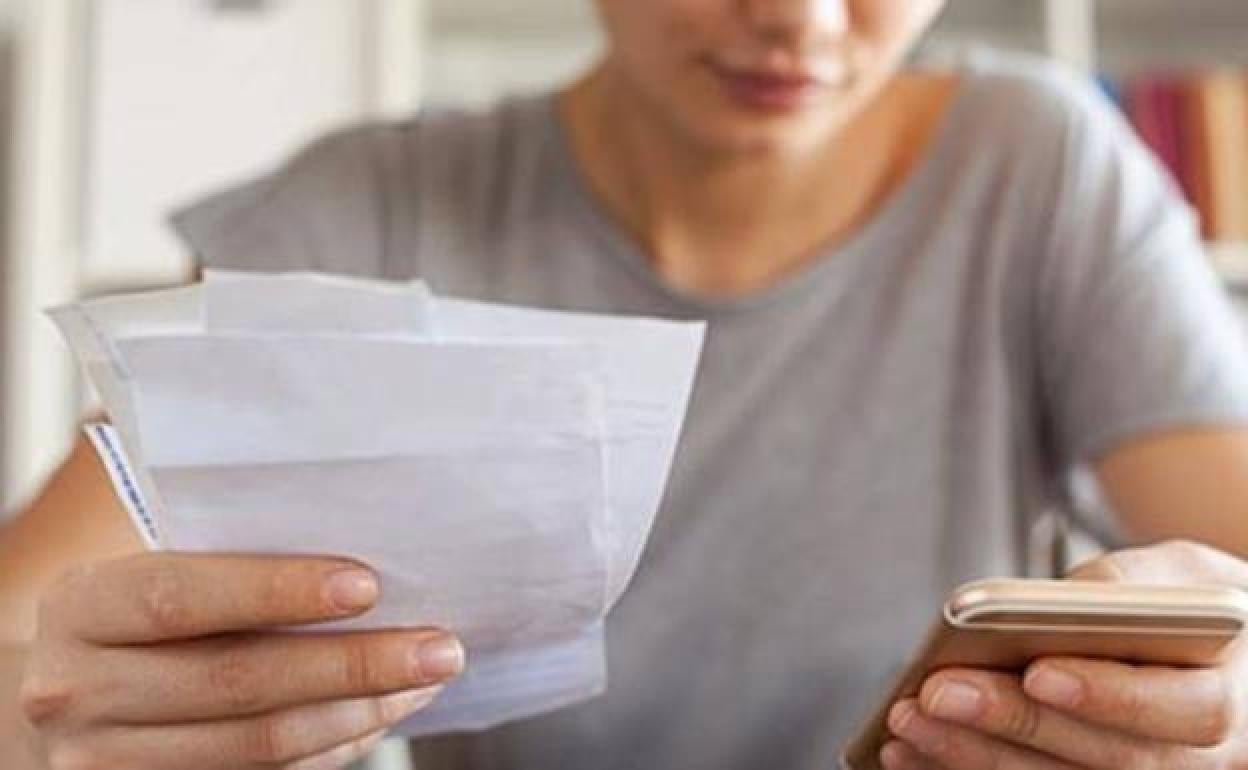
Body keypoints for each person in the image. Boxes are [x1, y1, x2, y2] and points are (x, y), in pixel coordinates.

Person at [5, 1, 1248, 768]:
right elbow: (25, 641)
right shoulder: (365, 210)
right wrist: (62, 718)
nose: (804, 21)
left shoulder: (1039, 164)